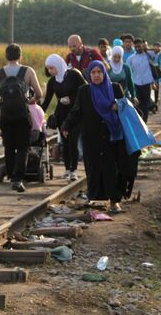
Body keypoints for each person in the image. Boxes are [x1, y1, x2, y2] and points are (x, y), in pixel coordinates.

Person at [61, 61, 138, 213]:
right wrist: (66, 125)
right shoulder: (84, 91)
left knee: (113, 168)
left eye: (99, 72)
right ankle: (95, 196)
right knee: (94, 168)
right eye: (93, 72)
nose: (96, 75)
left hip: (113, 137)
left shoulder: (115, 88)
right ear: (89, 75)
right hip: (92, 138)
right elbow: (76, 111)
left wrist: (119, 105)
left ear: (104, 73)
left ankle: (114, 201)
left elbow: (128, 108)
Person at [0, 43, 42, 192]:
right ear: (20, 56)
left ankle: (11, 175)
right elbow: (39, 93)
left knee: (9, 147)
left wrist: (0, 102)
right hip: (22, 114)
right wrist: (31, 100)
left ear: (6, 56)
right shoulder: (28, 71)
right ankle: (18, 179)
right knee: (22, 147)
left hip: (5, 115)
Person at [41, 54, 86, 182]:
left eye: (52, 68)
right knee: (65, 143)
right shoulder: (52, 81)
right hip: (61, 115)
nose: (50, 71)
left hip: (76, 113)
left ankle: (74, 170)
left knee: (73, 140)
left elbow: (84, 90)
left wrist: (71, 99)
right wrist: (37, 113)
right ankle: (67, 169)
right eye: (48, 69)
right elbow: (47, 101)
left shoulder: (73, 75)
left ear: (58, 65)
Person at [126, 41, 156, 124]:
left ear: (143, 46)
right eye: (136, 47)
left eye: (139, 46)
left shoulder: (148, 56)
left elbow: (157, 52)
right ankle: (139, 122)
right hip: (136, 84)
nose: (138, 48)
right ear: (134, 47)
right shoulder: (130, 58)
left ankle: (144, 122)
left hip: (147, 84)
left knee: (146, 105)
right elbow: (128, 72)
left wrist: (146, 49)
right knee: (138, 104)